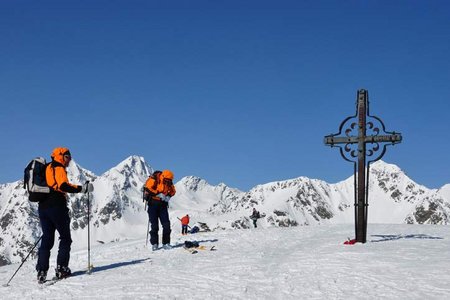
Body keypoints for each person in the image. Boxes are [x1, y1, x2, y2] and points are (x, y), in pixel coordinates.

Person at [36, 147, 93, 283]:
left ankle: (41, 271)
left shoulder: (47, 167)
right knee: (65, 238)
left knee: (47, 239)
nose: (69, 160)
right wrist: (82, 188)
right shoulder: (59, 168)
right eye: (68, 157)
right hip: (56, 206)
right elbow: (63, 186)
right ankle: (62, 269)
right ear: (61, 156)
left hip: (43, 207)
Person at [144, 170, 176, 251]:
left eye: (170, 181)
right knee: (154, 226)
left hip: (163, 206)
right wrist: (157, 193)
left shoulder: (169, 182)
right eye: (167, 180)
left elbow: (173, 191)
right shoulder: (155, 179)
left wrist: (168, 195)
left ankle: (166, 243)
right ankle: (154, 244)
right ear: (163, 177)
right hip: (152, 205)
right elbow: (148, 188)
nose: (168, 182)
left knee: (166, 225)